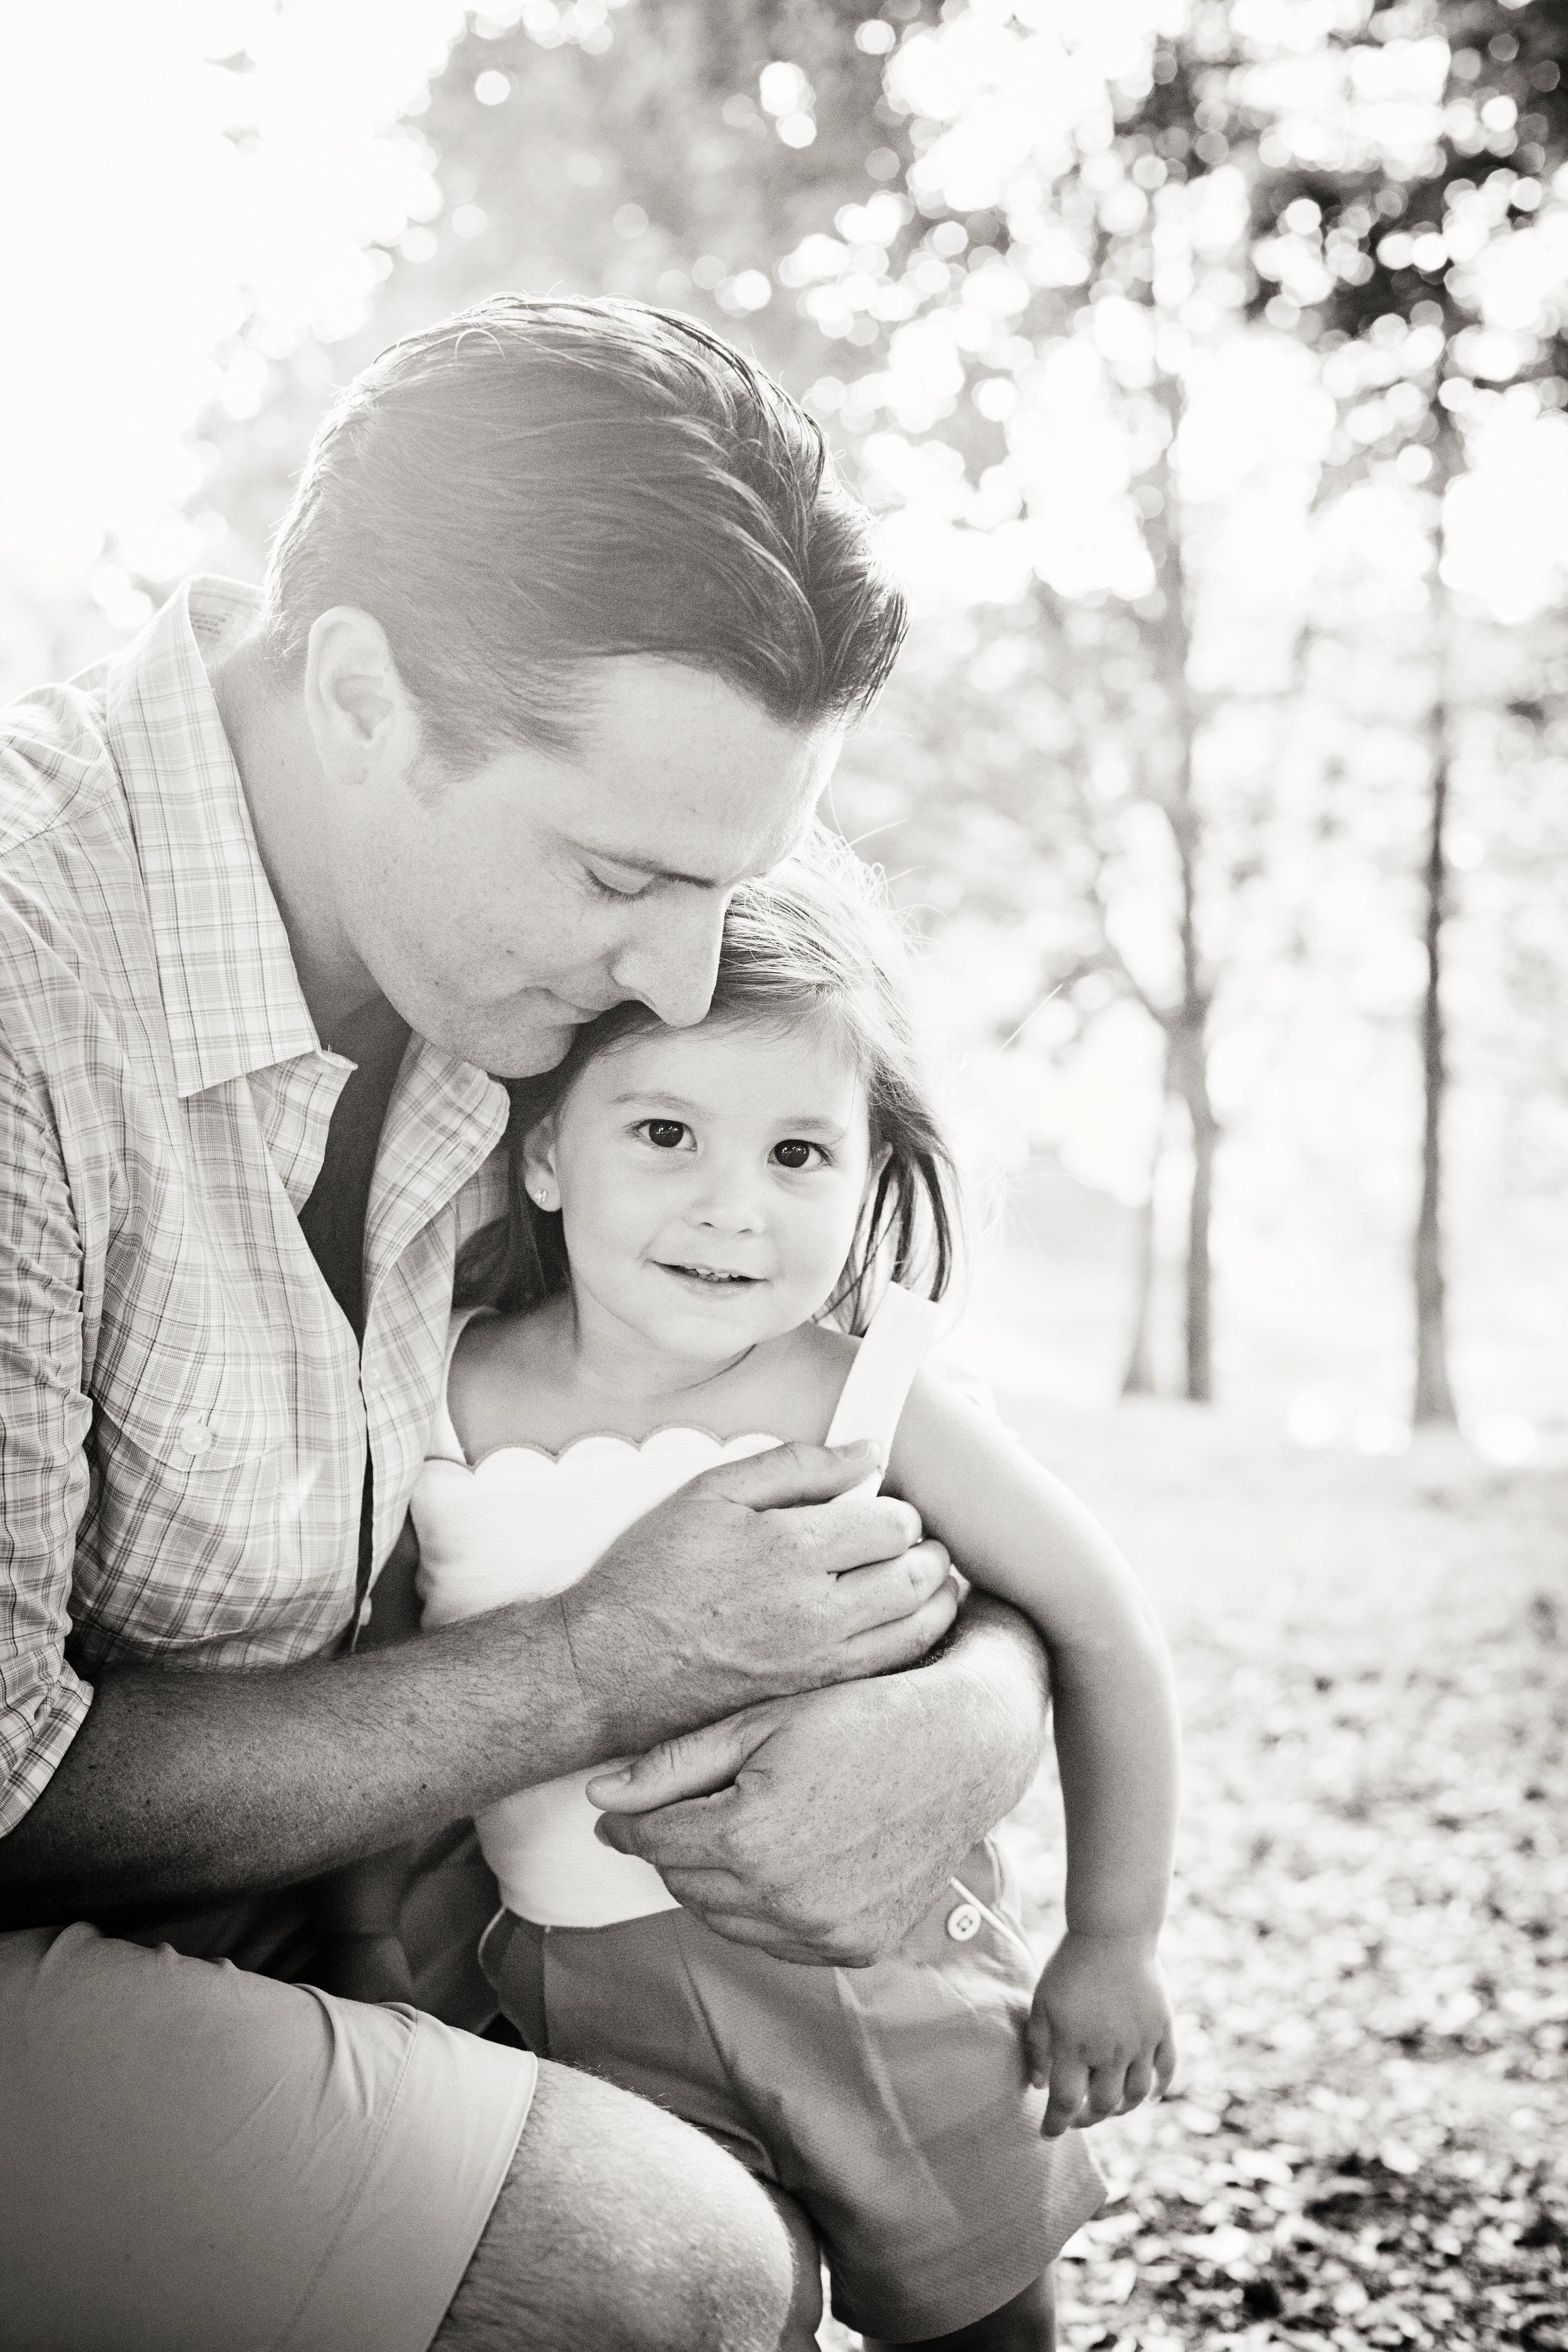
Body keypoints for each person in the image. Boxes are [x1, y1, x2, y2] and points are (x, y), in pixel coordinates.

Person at [0, 295, 1066, 2352]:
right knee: (670, 2271)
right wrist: (600, 1666)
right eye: (627, 880)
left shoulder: (513, 960)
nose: (683, 987)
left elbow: (873, 1429)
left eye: (722, 889)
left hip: (330, 1944)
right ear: (367, 700)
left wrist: (964, 1713)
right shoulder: (32, 1000)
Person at [337, 847, 1180, 2350]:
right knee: (705, 2301)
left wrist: (1111, 1940)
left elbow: (1101, 1621)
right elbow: (374, 1690)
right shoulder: (437, 1384)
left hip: (881, 1983)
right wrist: (360, 1946)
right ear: (542, 1154)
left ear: (866, 1175)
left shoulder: (867, 1393)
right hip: (574, 1996)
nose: (735, 1209)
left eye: (799, 1154)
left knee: (984, 2323)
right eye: (665, 1131)